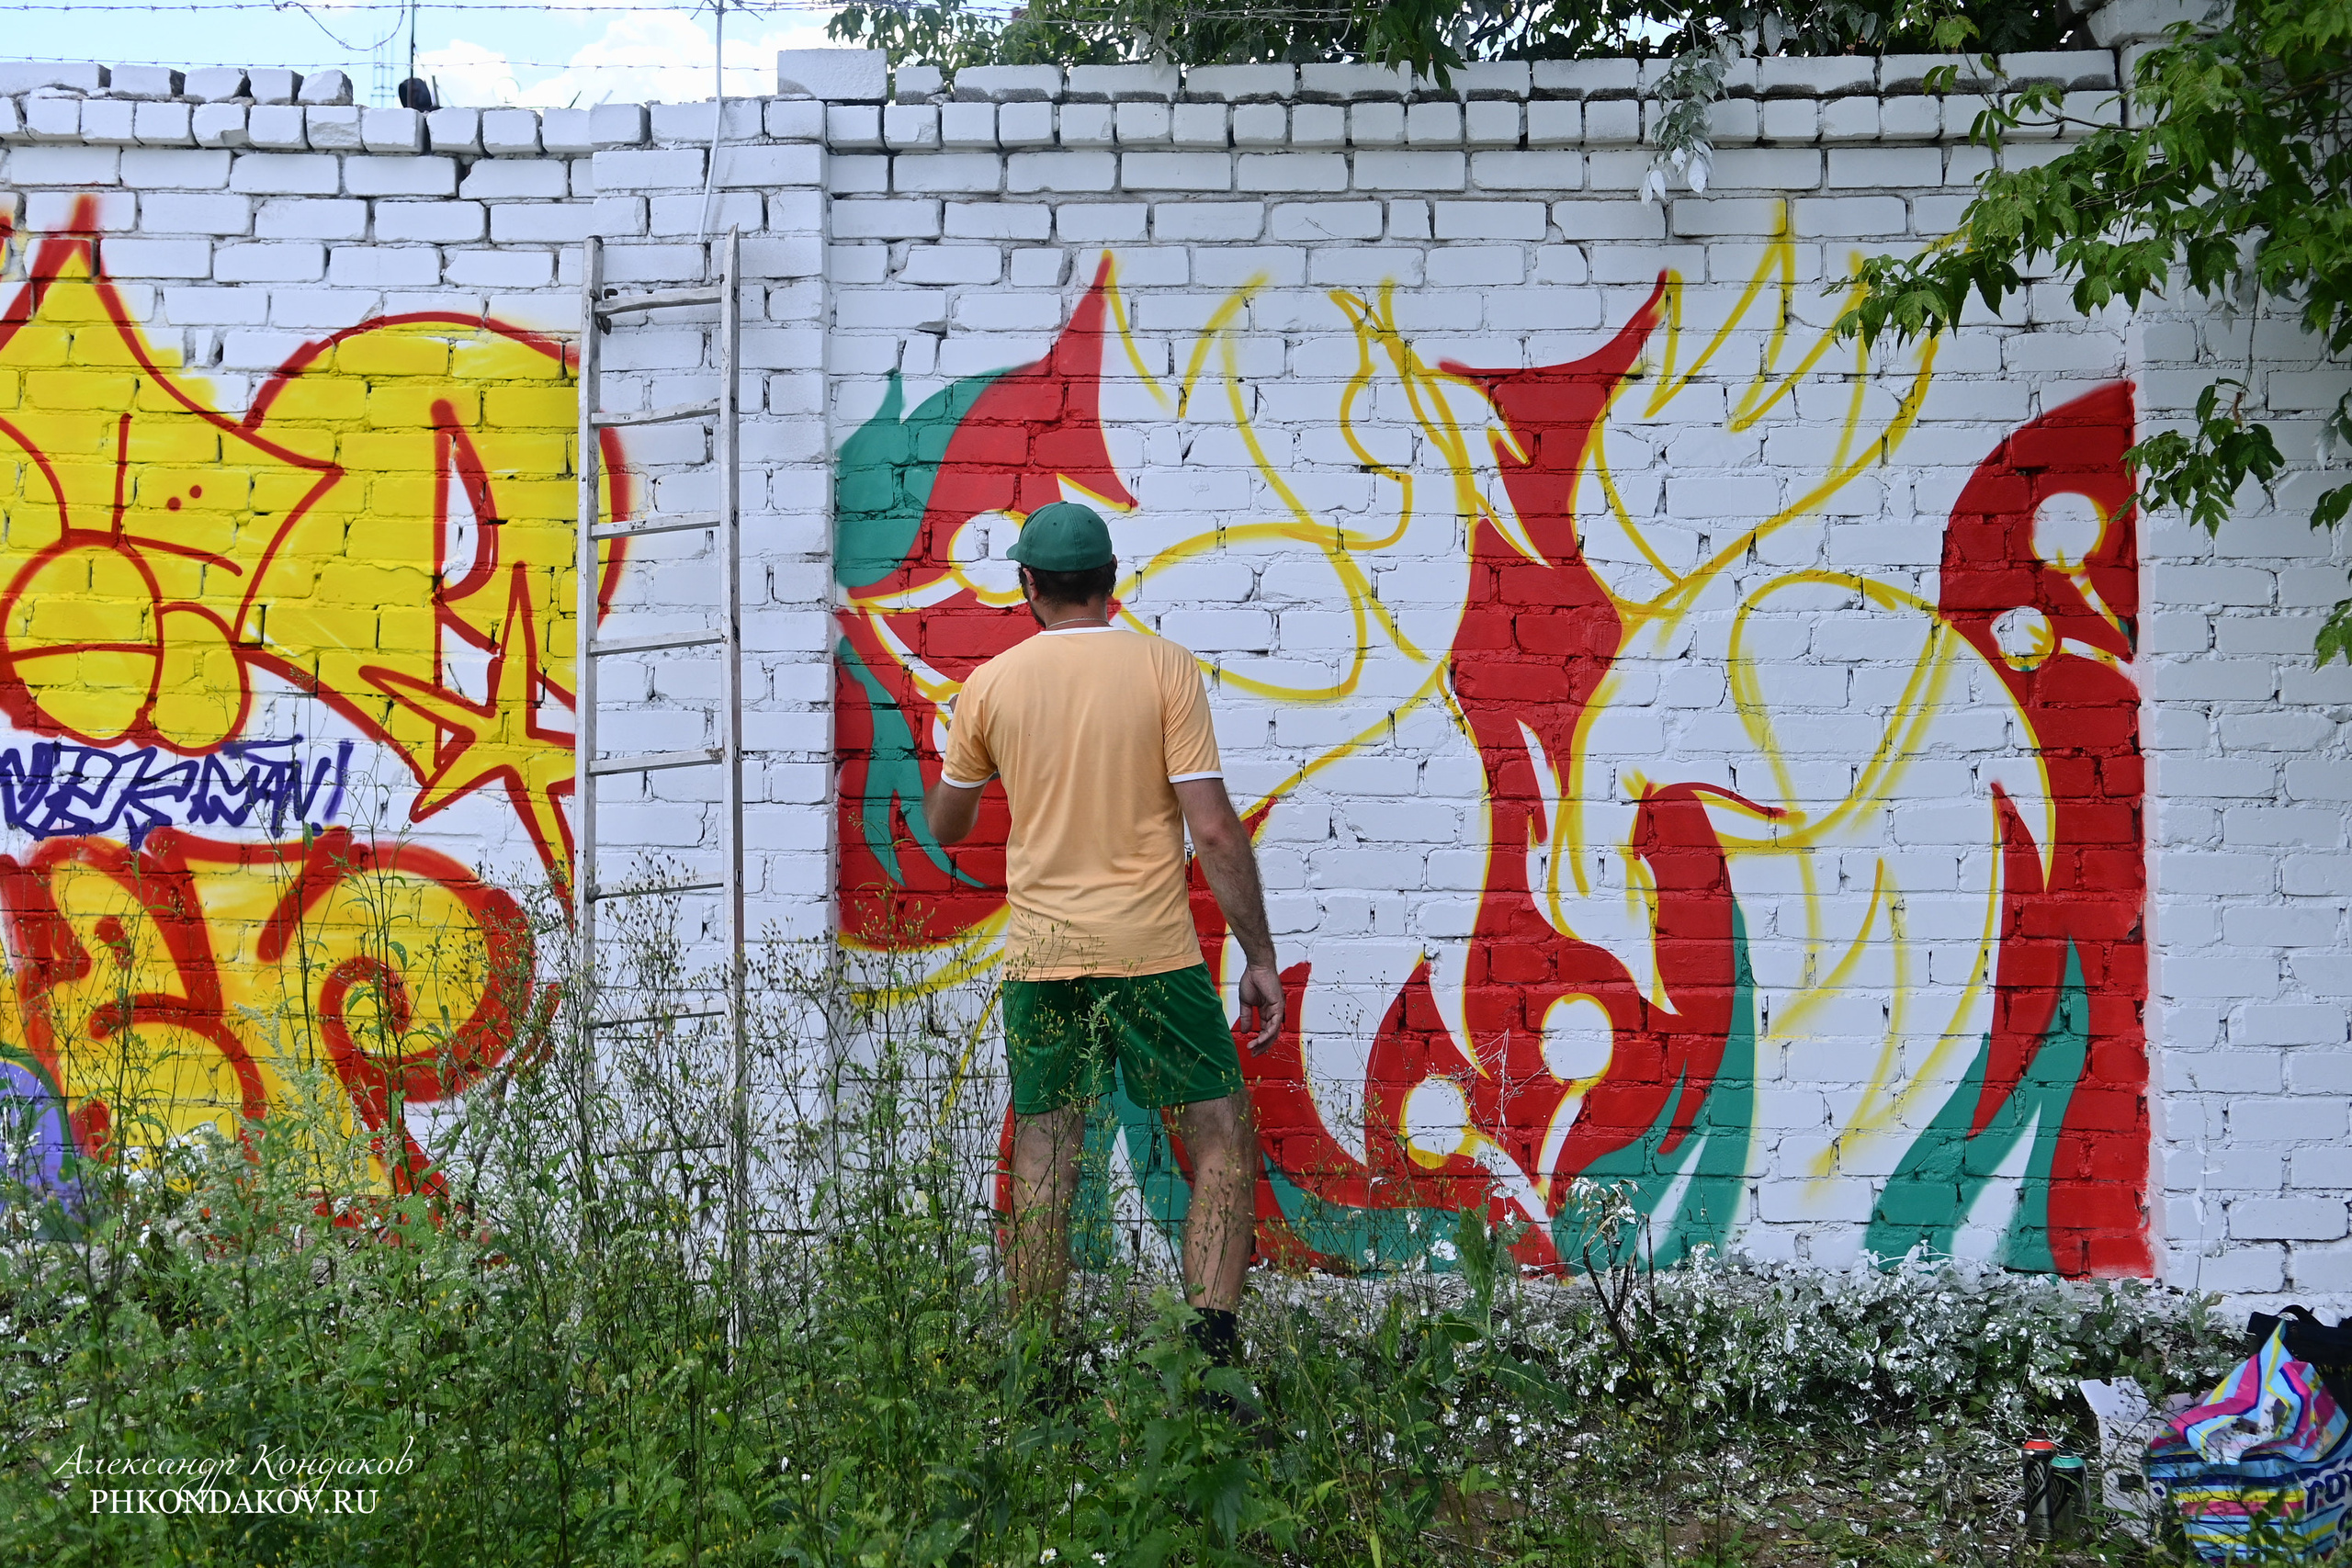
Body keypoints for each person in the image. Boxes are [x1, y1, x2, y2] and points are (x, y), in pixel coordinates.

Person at [921, 500, 1283, 1388]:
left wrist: (966, 752)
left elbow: (948, 825)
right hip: (1153, 951)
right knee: (1220, 1135)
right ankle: (1211, 1365)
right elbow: (1213, 829)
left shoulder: (991, 684)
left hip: (1043, 957)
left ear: (1028, 584)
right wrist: (1258, 955)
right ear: (1111, 580)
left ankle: (1037, 1370)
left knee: (1047, 1148)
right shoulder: (1165, 667)